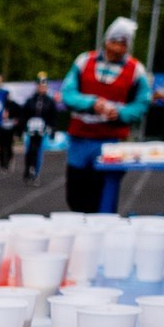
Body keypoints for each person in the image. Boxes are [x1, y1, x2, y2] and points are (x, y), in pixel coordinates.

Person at [60, 20, 151, 213]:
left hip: (111, 142)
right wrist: (92, 104)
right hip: (80, 140)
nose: (117, 48)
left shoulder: (136, 70)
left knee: (103, 198)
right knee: (75, 198)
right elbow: (68, 94)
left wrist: (120, 113)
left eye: (123, 44)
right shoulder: (84, 61)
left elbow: (142, 103)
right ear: (106, 41)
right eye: (114, 42)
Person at [21, 71, 63, 182]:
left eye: (44, 86)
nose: (42, 88)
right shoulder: (30, 101)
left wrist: (53, 129)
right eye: (40, 86)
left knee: (38, 150)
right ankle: (27, 169)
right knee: (29, 150)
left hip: (42, 130)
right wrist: (24, 126)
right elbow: (24, 115)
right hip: (30, 129)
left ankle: (36, 172)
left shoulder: (49, 102)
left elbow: (53, 116)